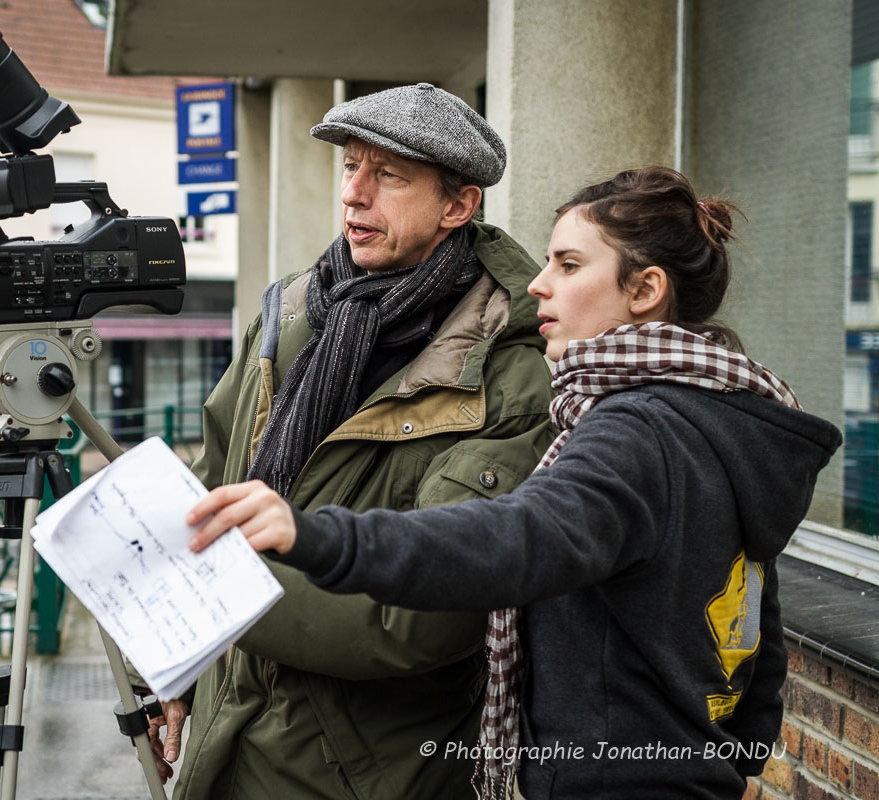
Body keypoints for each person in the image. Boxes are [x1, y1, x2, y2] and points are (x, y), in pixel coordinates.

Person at [186, 167, 842, 799]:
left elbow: (513, 537)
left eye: (569, 265)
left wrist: (316, 536)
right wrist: (735, 758)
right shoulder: (717, 417)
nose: (538, 284)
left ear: (644, 290)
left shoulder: (636, 432)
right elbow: (752, 615)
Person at [145, 83, 556, 800]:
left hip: (365, 773)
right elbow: (205, 497)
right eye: (350, 166)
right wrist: (165, 662)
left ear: (458, 206)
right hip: (224, 738)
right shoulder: (291, 315)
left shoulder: (510, 374)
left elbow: (424, 619)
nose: (354, 195)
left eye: (388, 175)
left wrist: (211, 599)